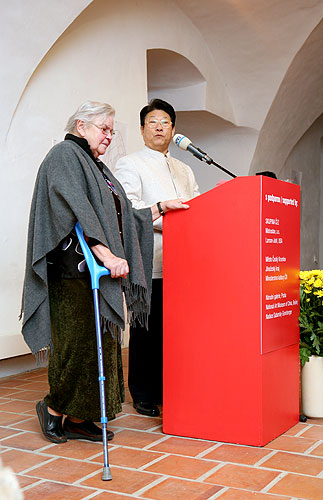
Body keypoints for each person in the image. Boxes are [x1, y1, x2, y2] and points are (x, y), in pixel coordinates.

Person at [20, 101, 189, 444]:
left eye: (112, 130)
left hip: (97, 274)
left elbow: (122, 213)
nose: (109, 136)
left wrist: (158, 208)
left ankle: (81, 418)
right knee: (78, 344)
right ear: (81, 125)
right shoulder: (65, 155)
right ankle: (53, 409)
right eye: (104, 129)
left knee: (103, 346)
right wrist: (106, 252)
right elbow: (75, 208)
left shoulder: (97, 166)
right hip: (72, 272)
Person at [113, 98, 199, 417]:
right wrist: (169, 215)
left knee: (176, 329)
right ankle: (144, 393)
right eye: (152, 121)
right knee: (147, 328)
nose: (159, 126)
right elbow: (128, 210)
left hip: (185, 262)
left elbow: (198, 207)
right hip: (152, 258)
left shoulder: (185, 168)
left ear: (174, 129)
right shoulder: (131, 163)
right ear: (142, 129)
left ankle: (169, 387)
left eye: (165, 121)